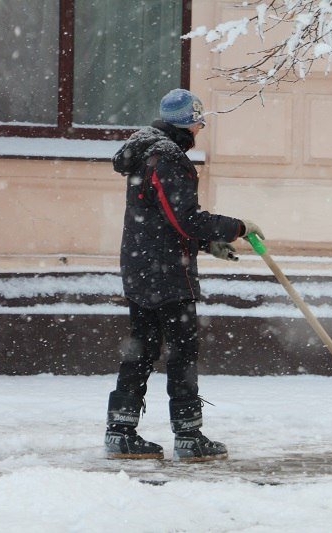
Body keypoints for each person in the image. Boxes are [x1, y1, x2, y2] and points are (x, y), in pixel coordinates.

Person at [104, 88, 265, 461]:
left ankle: (121, 431)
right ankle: (190, 437)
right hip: (167, 275)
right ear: (191, 123)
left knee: (141, 349)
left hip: (144, 266)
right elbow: (186, 219)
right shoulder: (169, 159)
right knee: (181, 353)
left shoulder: (146, 156)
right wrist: (236, 227)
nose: (200, 129)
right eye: (199, 122)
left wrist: (207, 244)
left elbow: (165, 221)